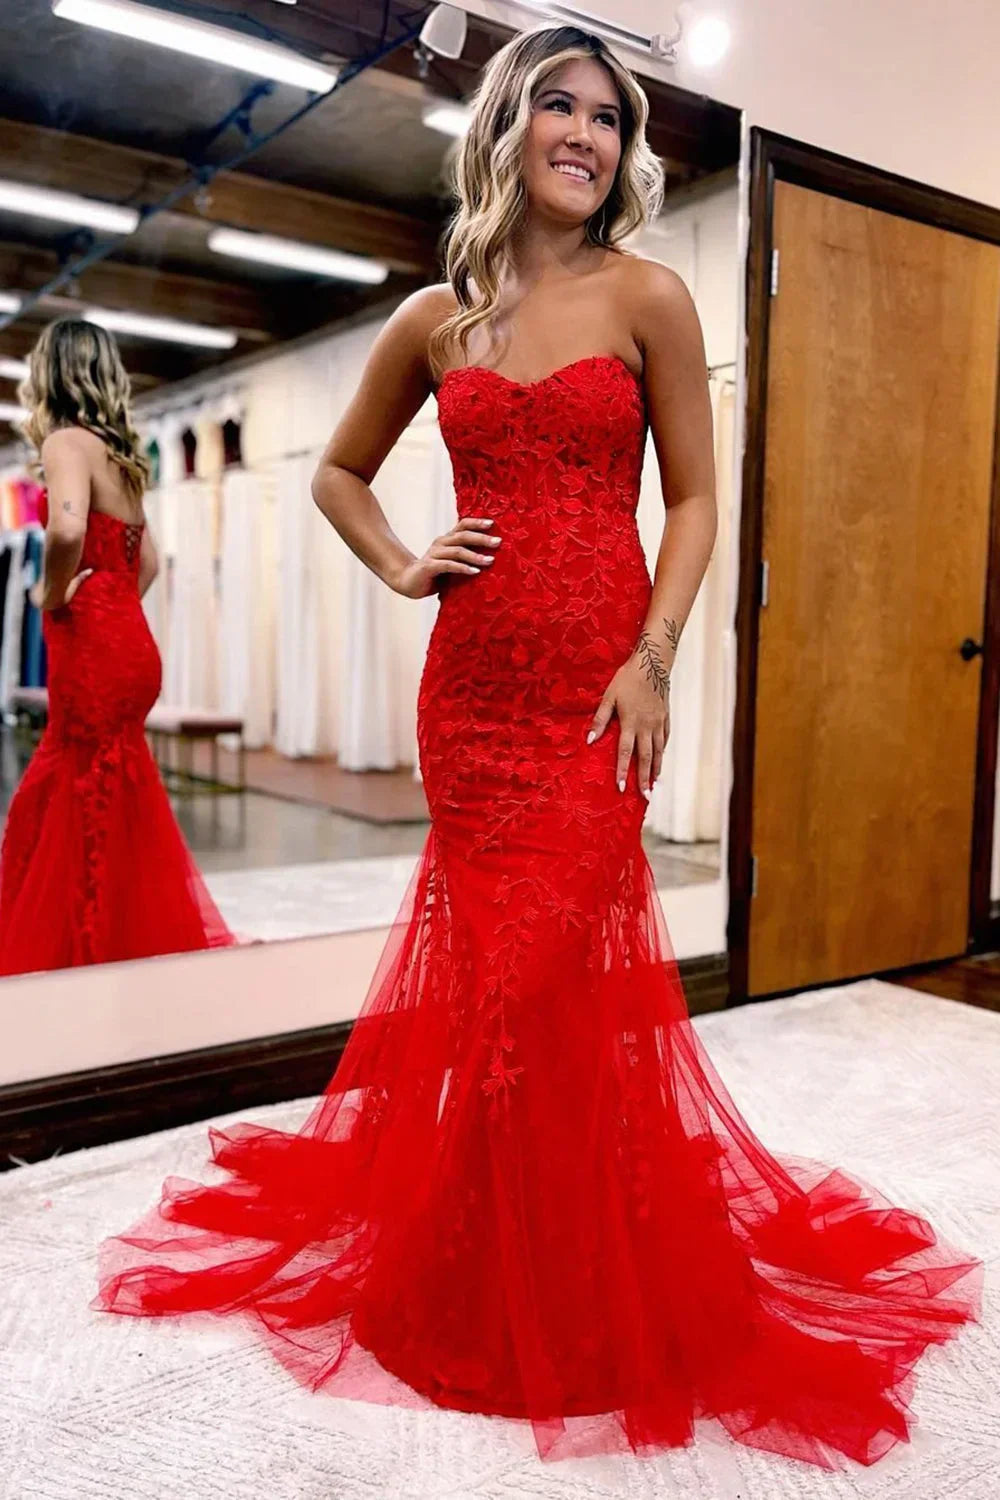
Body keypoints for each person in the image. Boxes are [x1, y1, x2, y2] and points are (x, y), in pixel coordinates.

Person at [91, 25, 979, 1469]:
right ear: (503, 127)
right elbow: (337, 471)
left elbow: (692, 502)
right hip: (472, 697)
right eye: (557, 106)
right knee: (501, 996)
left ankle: (564, 1259)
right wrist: (403, 562)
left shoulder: (651, 296)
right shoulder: (434, 319)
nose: (584, 133)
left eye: (608, 118)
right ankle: (494, 1257)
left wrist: (653, 659)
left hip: (594, 696)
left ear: (626, 152)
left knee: (540, 983)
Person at [0, 319, 235, 972]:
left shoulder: (65, 443)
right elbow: (149, 561)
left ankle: (81, 946)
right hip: (130, 639)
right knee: (114, 789)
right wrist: (112, 598)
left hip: (94, 645)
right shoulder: (119, 456)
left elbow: (66, 529)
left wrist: (51, 594)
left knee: (69, 789)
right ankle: (122, 937)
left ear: (49, 375)